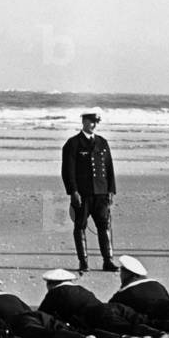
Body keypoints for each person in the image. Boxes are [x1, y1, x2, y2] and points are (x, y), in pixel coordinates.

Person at [37, 269, 169, 338]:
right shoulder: (82, 290)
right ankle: (158, 333)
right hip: (113, 307)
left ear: (51, 284)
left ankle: (157, 335)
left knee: (121, 328)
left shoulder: (55, 293)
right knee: (138, 321)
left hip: (98, 314)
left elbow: (42, 315)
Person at [61, 108, 118, 273]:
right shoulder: (73, 144)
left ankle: (108, 261)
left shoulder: (102, 142)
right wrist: (73, 191)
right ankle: (83, 262)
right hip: (83, 193)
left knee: (104, 226)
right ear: (83, 121)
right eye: (91, 121)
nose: (93, 125)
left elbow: (109, 168)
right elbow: (68, 170)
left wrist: (111, 190)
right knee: (80, 226)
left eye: (96, 122)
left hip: (101, 192)